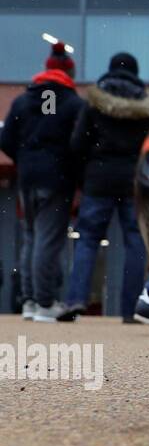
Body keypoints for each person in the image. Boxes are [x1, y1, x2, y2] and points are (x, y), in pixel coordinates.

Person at [63, 53, 149, 322]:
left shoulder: (93, 105)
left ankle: (76, 299)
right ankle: (130, 310)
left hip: (98, 180)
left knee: (88, 240)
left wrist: (84, 176)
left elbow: (77, 145)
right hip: (133, 183)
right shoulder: (148, 108)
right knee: (135, 242)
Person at [0, 41, 85, 322]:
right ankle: (45, 302)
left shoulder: (23, 100)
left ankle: (29, 301)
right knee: (48, 240)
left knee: (31, 237)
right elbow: (80, 143)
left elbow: (6, 139)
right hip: (56, 178)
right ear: (68, 73)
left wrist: (24, 158)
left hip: (27, 178)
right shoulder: (73, 103)